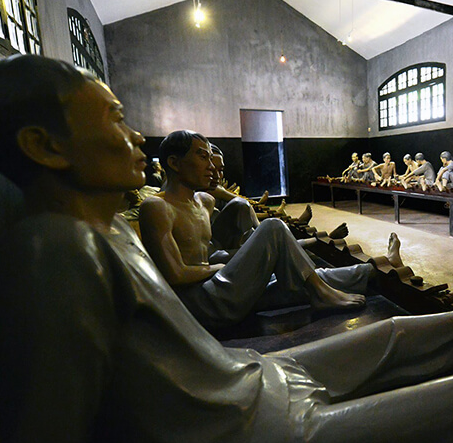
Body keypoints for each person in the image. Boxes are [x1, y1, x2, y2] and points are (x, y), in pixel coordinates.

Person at [0, 55, 453, 443]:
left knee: (394, 332)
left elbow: (55, 398)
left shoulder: (103, 230)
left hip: (248, 381)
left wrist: (23, 439)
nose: (136, 141)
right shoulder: (54, 250)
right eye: (117, 121)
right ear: (45, 145)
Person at [139, 130, 370, 331]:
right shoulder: (157, 207)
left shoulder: (203, 201)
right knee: (273, 227)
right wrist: (220, 266)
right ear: (174, 162)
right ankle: (321, 293)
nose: (211, 167)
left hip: (221, 287)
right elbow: (175, 275)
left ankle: (369, 273)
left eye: (212, 159)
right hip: (202, 305)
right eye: (203, 157)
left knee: (300, 278)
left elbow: (224, 229)